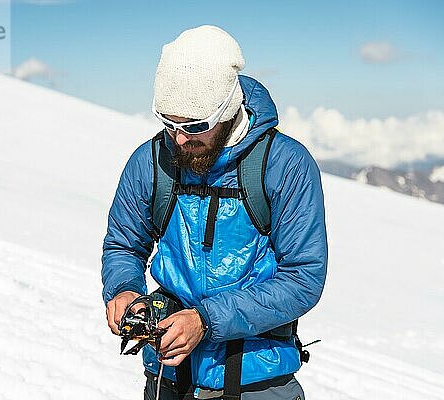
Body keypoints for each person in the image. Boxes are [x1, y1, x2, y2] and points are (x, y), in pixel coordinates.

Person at [102, 25, 327, 400]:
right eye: (169, 123)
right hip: (168, 378)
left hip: (258, 381)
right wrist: (125, 291)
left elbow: (303, 277)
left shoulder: (284, 165)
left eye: (194, 127)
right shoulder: (151, 161)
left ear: (227, 109)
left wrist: (206, 321)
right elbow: (124, 245)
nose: (179, 139)